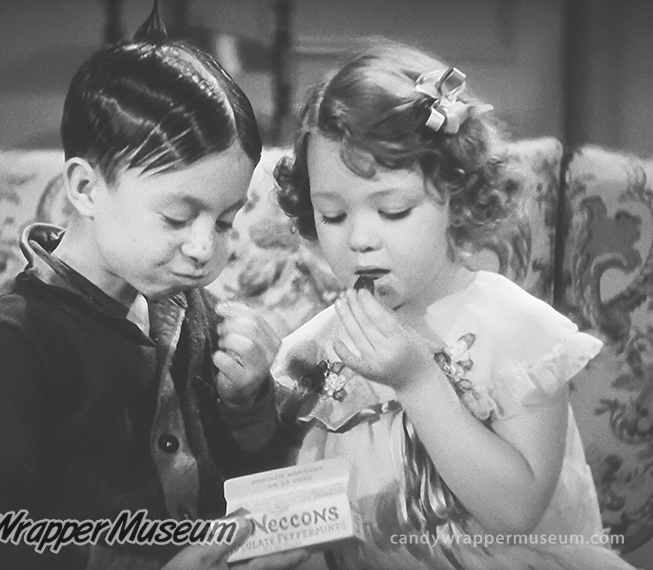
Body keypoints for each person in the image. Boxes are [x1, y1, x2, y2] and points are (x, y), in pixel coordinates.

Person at [0, 4, 307, 570]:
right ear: (86, 188)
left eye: (226, 221)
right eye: (178, 218)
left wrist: (250, 403)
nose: (206, 248)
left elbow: (241, 483)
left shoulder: (197, 313)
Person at [271, 39, 638, 570]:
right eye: (332, 215)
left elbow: (516, 512)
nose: (360, 239)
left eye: (393, 210)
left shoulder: (516, 331)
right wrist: (246, 408)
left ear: (456, 198)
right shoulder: (314, 349)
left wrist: (418, 381)